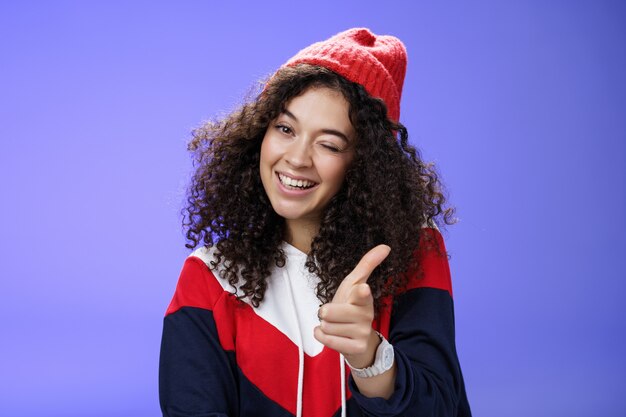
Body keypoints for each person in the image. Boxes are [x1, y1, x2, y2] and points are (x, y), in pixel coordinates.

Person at [159, 28, 472, 417]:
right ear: (259, 133)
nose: (297, 158)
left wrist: (371, 358)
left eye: (329, 144)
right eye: (285, 129)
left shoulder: (410, 249)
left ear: (365, 164)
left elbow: (440, 407)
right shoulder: (210, 277)